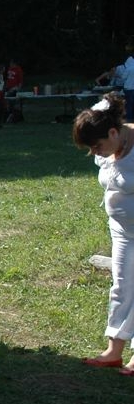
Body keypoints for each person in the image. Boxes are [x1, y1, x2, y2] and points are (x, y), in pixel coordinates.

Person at [72, 93, 134, 374]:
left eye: (97, 146)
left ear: (113, 132)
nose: (94, 153)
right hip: (122, 230)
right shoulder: (108, 149)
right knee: (122, 286)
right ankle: (114, 349)